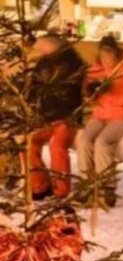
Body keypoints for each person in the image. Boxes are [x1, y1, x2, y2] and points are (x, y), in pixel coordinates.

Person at [76, 36, 123, 206]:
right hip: (100, 115)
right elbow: (88, 96)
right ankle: (88, 183)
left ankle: (107, 187)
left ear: (116, 54)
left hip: (121, 116)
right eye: (103, 56)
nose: (107, 60)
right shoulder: (95, 69)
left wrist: (120, 86)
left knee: (102, 141)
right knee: (84, 140)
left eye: (110, 56)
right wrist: (92, 90)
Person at [28, 36, 86, 199]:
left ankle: (61, 190)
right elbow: (34, 87)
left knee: (57, 146)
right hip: (47, 118)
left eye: (41, 47)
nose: (37, 51)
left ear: (50, 46)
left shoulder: (72, 64)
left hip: (67, 118)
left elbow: (68, 94)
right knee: (29, 143)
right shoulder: (45, 62)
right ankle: (40, 186)